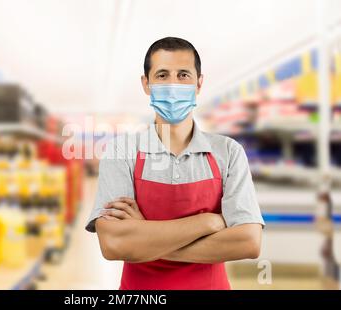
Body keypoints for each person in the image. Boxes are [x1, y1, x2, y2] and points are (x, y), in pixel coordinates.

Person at [85, 37, 265, 290]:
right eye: (162, 75)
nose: (172, 85)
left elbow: (248, 243)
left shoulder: (228, 152)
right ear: (146, 84)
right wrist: (208, 223)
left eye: (183, 75)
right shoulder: (121, 152)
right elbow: (114, 245)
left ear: (199, 83)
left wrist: (144, 237)